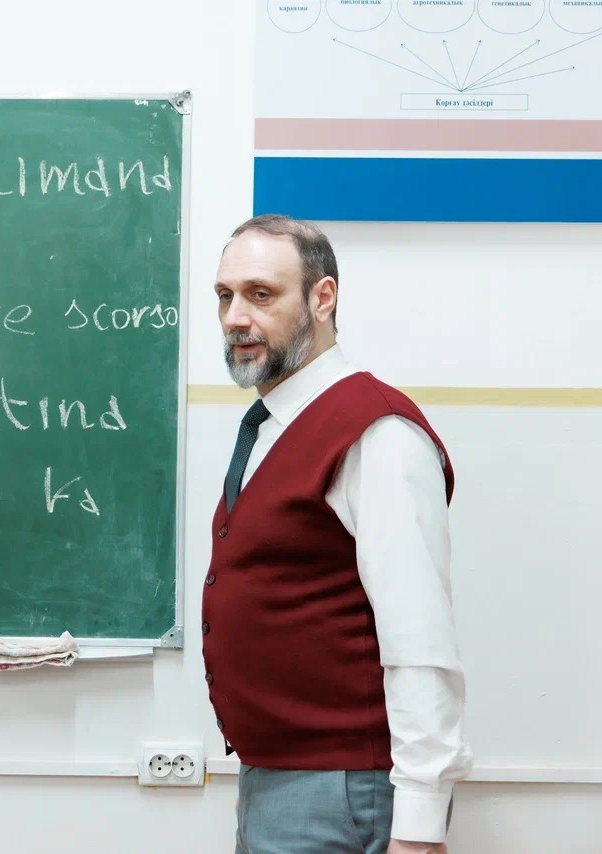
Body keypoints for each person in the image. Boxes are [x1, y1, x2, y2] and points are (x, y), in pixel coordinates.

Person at [201, 215, 472, 854]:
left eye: (261, 294)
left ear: (322, 299)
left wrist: (418, 826)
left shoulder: (377, 433)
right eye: (225, 296)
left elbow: (419, 636)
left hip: (344, 790)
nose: (236, 317)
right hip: (278, 778)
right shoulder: (272, 425)